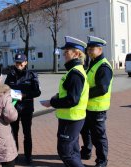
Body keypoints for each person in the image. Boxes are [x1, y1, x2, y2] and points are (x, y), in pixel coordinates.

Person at [42, 36, 89, 167]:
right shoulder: (73, 72)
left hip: (71, 118)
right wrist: (56, 98)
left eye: (67, 51)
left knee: (66, 152)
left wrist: (52, 103)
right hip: (71, 117)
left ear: (76, 53)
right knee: (73, 151)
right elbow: (69, 94)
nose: (64, 54)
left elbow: (72, 100)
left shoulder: (75, 73)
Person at [80, 36, 113, 167]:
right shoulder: (93, 62)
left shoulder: (103, 66)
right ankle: (87, 151)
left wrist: (84, 95)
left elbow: (102, 89)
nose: (89, 51)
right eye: (88, 49)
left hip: (98, 109)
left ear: (100, 49)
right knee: (85, 131)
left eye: (92, 49)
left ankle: (102, 161)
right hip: (88, 107)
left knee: (99, 137)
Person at [5, 53, 41, 164]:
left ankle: (28, 157)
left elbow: (37, 92)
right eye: (16, 62)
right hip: (14, 108)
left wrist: (25, 95)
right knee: (13, 133)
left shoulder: (32, 75)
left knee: (27, 133)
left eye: (21, 63)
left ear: (26, 62)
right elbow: (6, 89)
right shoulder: (10, 74)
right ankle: (14, 155)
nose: (18, 65)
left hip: (26, 108)